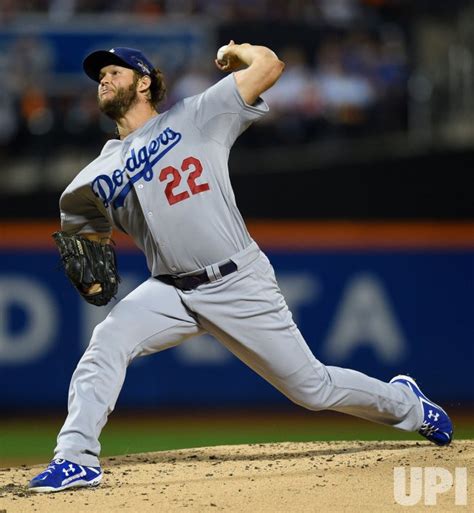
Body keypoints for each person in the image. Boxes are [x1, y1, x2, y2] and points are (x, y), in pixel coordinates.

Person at [29, 42, 452, 493]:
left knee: (312, 389)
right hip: (170, 290)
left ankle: (408, 404)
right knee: (106, 341)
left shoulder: (197, 115)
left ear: (145, 81)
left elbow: (270, 67)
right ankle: (76, 458)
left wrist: (241, 51)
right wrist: (91, 256)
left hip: (236, 279)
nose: (104, 80)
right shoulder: (90, 179)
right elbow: (84, 230)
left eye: (114, 71)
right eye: (100, 77)